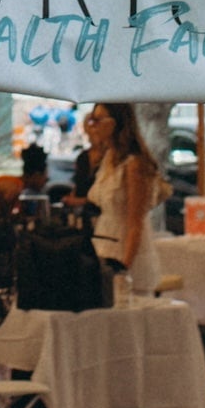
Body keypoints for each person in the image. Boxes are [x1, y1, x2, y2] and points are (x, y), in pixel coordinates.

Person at [83, 102, 165, 292]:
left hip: (126, 249)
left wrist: (123, 269)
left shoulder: (134, 164)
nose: (93, 125)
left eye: (97, 119)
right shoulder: (109, 157)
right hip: (104, 242)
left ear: (115, 123)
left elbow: (135, 222)